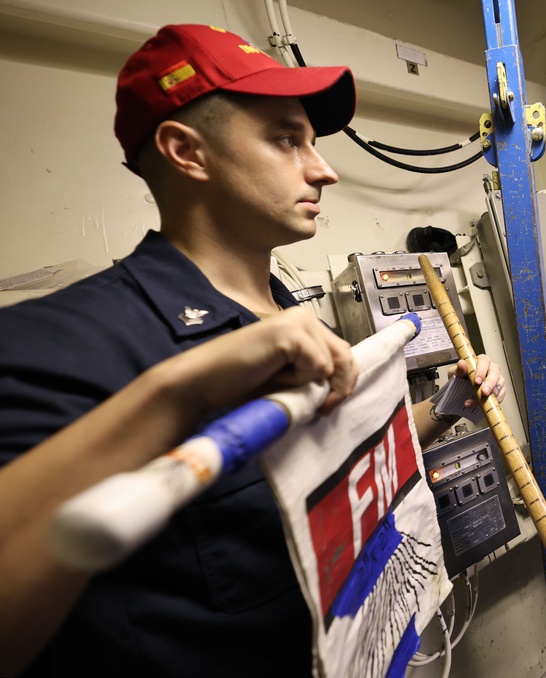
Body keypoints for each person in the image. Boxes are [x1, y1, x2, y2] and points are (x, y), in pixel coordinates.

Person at [0, 24, 504, 677]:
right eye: (286, 140)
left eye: (314, 143)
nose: (323, 169)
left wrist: (442, 409)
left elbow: (327, 469)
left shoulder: (298, 317)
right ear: (187, 152)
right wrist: (183, 391)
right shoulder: (63, 343)